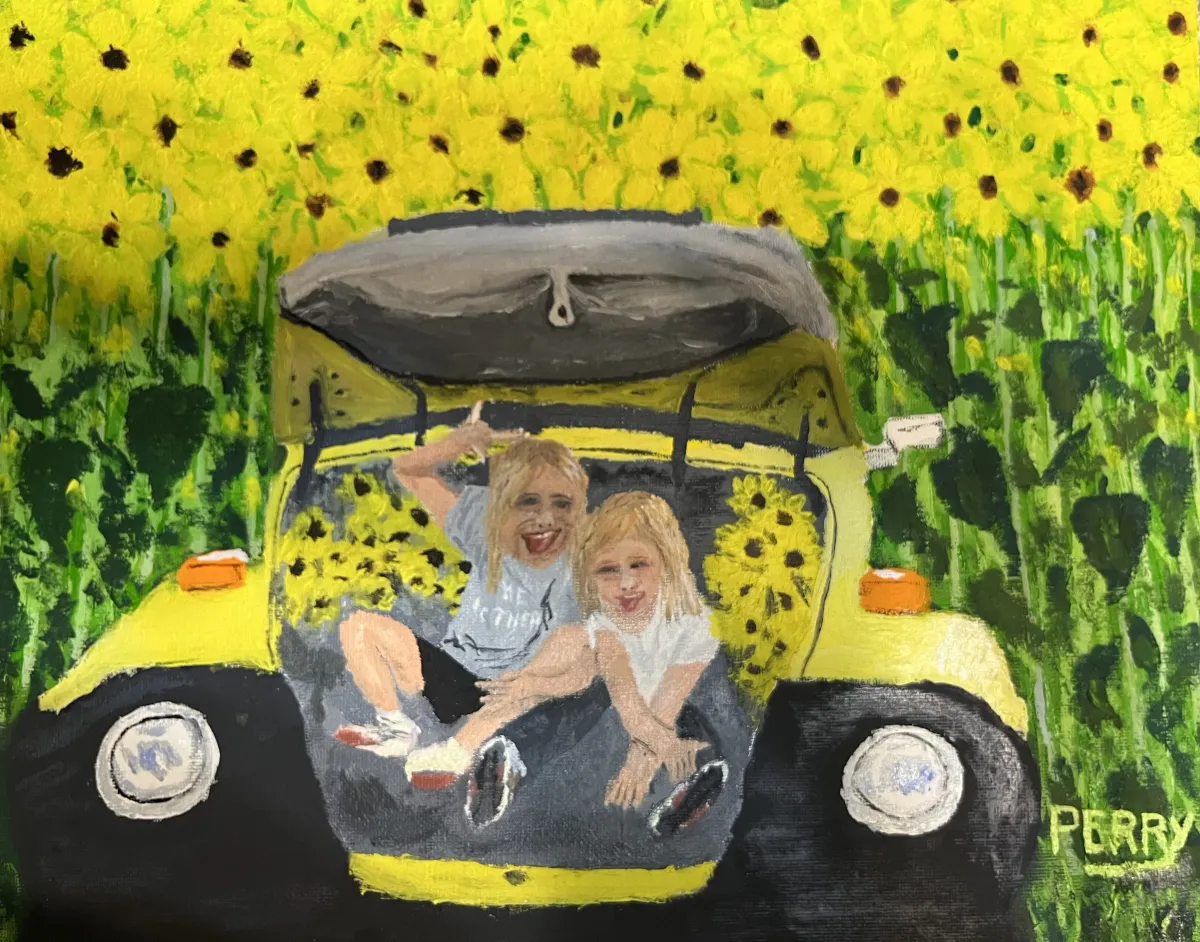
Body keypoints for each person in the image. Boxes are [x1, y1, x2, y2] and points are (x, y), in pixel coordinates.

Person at [411, 490, 728, 835]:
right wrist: (532, 685)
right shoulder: (605, 627)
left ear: (667, 560)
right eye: (608, 570)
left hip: (665, 705)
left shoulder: (696, 624)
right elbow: (625, 703)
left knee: (692, 731)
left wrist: (644, 761)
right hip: (618, 699)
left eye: (639, 564)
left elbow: (667, 704)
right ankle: (506, 759)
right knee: (574, 705)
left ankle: (690, 788)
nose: (626, 583)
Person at [333, 400, 590, 778]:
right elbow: (407, 469)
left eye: (562, 504)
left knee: (572, 639)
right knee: (358, 627)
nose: (545, 519)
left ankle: (461, 752)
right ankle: (396, 727)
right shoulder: (486, 528)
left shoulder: (580, 563)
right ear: (502, 506)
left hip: (513, 689)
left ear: (579, 509)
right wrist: (457, 443)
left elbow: (586, 662)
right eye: (528, 502)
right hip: (454, 674)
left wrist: (532, 684)